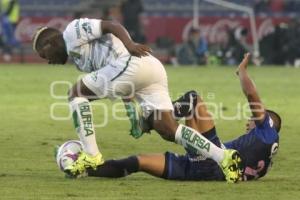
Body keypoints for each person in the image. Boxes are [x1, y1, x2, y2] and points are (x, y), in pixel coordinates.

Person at [32, 18, 241, 182]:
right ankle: (224, 157)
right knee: (167, 128)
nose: (48, 62)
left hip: (132, 61)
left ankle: (91, 155)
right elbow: (117, 82)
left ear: (50, 42)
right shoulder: (79, 60)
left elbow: (110, 25)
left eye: (44, 55)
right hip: (151, 69)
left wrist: (130, 44)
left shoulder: (71, 31)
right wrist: (132, 112)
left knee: (75, 93)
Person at [85, 54, 281, 181]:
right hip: (196, 170)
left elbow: (252, 96)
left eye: (253, 119)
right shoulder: (265, 163)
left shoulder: (268, 132)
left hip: (212, 164)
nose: (249, 121)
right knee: (138, 162)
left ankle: (151, 121)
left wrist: (242, 72)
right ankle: (88, 170)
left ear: (266, 121)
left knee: (193, 99)